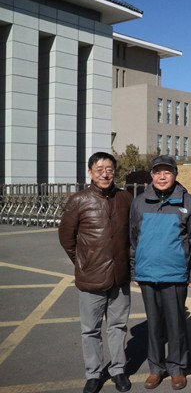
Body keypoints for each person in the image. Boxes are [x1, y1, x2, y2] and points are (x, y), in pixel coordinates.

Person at [58, 152, 133, 393]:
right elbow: (66, 237)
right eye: (99, 169)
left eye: (109, 169)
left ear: (115, 172)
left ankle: (118, 370)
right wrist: (83, 262)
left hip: (120, 276)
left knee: (118, 326)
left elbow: (132, 235)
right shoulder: (78, 200)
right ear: (90, 172)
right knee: (90, 329)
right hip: (91, 278)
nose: (105, 174)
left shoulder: (125, 198)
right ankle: (93, 373)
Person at [129, 155, 191, 390]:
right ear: (151, 175)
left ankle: (177, 368)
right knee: (154, 324)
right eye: (157, 172)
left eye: (167, 172)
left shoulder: (188, 202)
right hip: (147, 273)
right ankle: (156, 368)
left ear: (175, 174)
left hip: (175, 274)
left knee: (176, 324)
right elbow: (133, 239)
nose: (162, 177)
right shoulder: (139, 202)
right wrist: (134, 270)